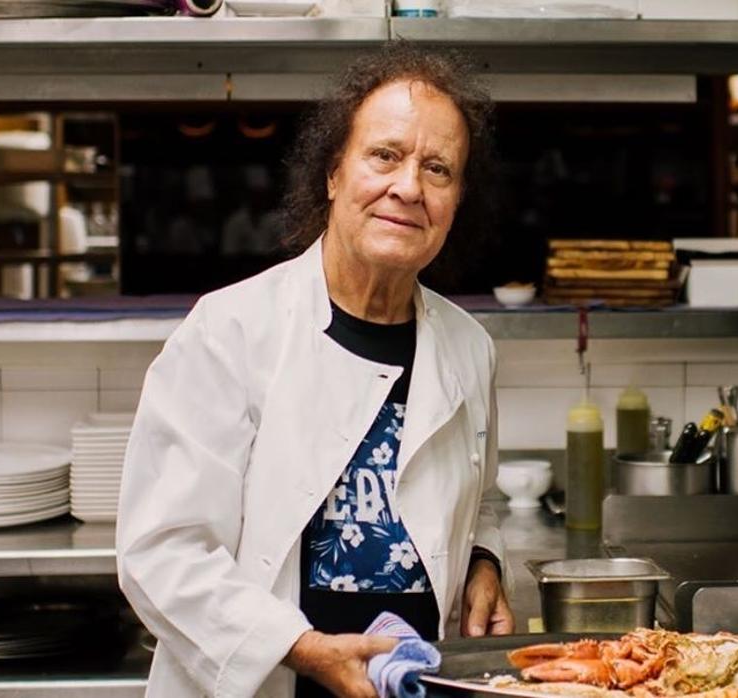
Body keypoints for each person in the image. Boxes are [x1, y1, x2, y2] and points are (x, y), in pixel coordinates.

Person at [117, 43, 512, 698]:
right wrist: (299, 649)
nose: (408, 187)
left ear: (456, 200)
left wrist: (483, 563)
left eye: (438, 169)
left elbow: (477, 496)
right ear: (333, 172)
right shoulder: (231, 333)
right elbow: (162, 553)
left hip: (414, 685)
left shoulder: (469, 347)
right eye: (384, 156)